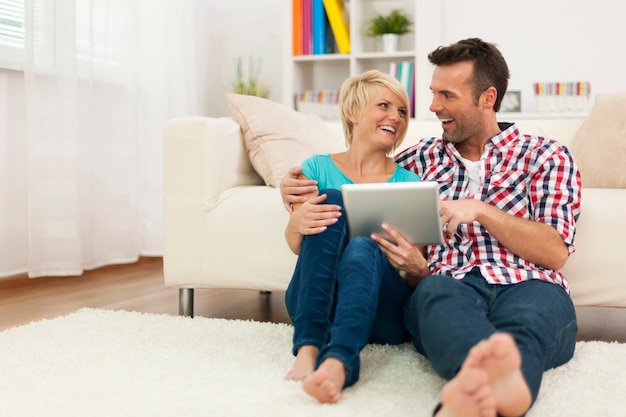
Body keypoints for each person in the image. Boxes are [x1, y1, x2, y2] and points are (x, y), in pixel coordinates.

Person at [280, 38, 582, 417]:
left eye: (446, 95)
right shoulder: (418, 161)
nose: (433, 106)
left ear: (487, 99)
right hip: (447, 283)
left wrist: (481, 211)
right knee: (437, 302)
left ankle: (489, 395)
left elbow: (555, 252)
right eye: (433, 93)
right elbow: (360, 171)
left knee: (527, 324)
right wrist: (288, 190)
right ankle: (493, 390)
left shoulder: (546, 155)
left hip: (530, 283)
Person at [283, 69, 424, 404]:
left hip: (380, 311)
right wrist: (294, 224)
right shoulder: (314, 168)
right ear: (352, 112)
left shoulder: (409, 182)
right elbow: (299, 246)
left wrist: (412, 263)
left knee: (363, 245)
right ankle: (309, 346)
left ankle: (339, 360)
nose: (396, 117)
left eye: (402, 111)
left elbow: (413, 273)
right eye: (385, 106)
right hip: (316, 299)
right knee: (331, 198)